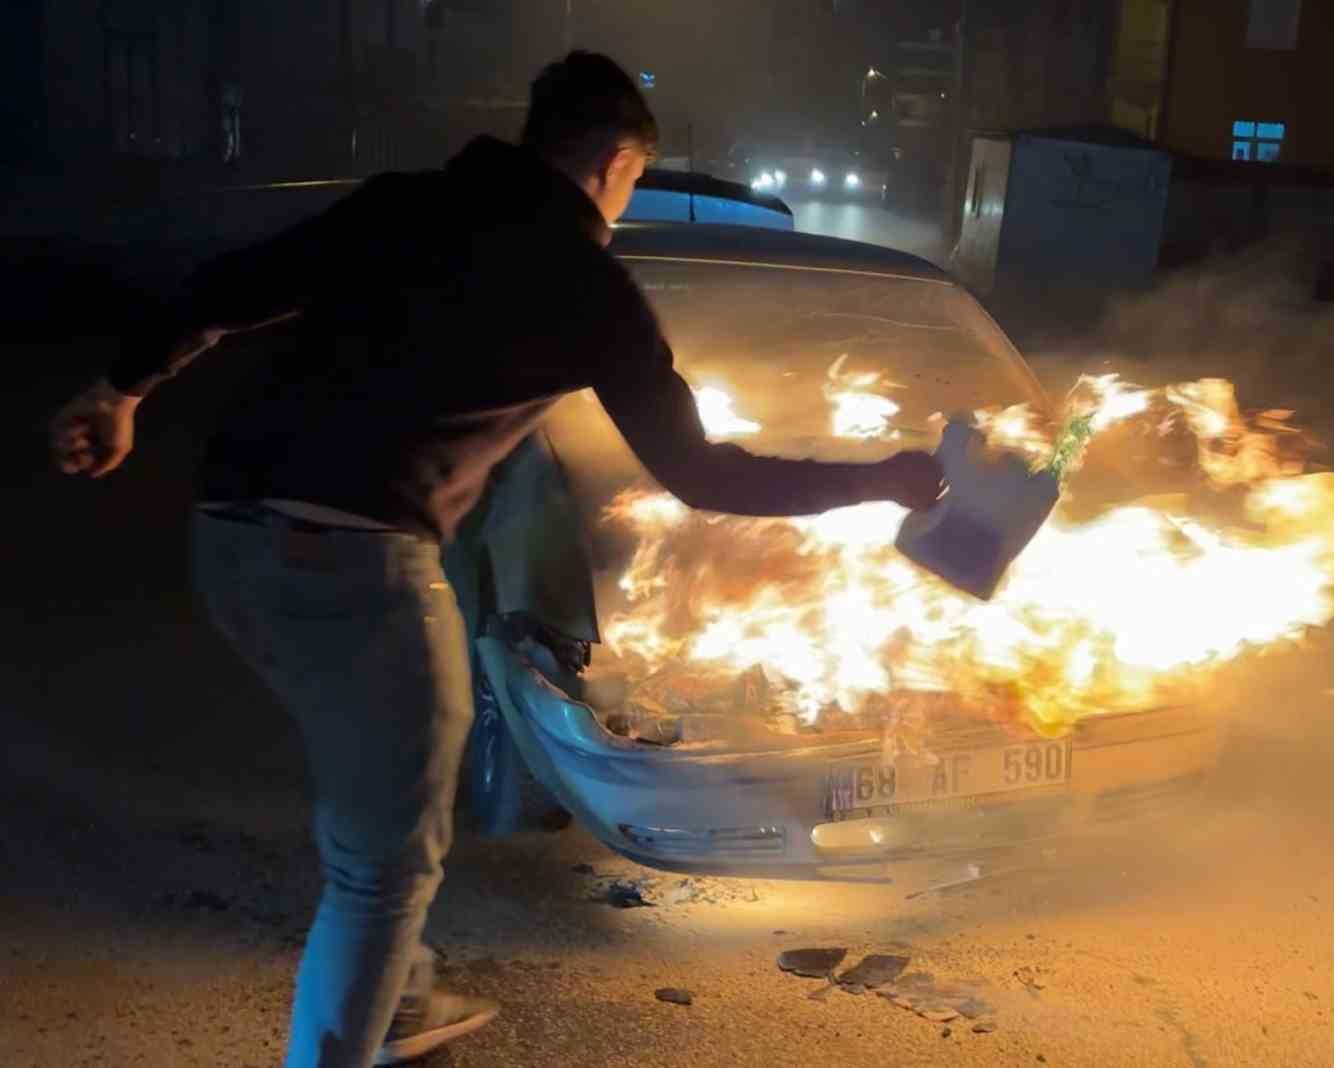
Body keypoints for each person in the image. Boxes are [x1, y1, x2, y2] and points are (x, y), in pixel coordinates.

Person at [48, 51, 942, 1068]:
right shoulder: (588, 287)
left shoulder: (401, 205)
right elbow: (702, 474)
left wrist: (119, 391)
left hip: (229, 539)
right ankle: (356, 1030)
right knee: (387, 865)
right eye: (632, 182)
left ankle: (397, 993)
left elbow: (222, 290)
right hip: (355, 564)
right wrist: (880, 479)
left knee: (376, 798)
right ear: (615, 164)